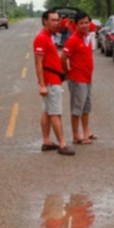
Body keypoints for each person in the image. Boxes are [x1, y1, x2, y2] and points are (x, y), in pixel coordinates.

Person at [34, 10, 75, 156]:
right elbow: (38, 63)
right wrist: (42, 84)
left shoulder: (49, 36)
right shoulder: (41, 38)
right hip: (50, 81)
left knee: (47, 111)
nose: (56, 23)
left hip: (54, 79)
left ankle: (47, 141)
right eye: (53, 20)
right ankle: (62, 144)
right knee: (56, 113)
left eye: (57, 20)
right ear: (45, 21)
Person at [61, 12, 97, 144]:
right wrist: (67, 73)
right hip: (77, 78)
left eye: (86, 23)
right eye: (81, 23)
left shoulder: (86, 38)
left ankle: (86, 131)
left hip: (87, 78)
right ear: (75, 25)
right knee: (77, 108)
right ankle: (76, 135)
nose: (84, 25)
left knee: (86, 107)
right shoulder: (73, 40)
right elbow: (63, 59)